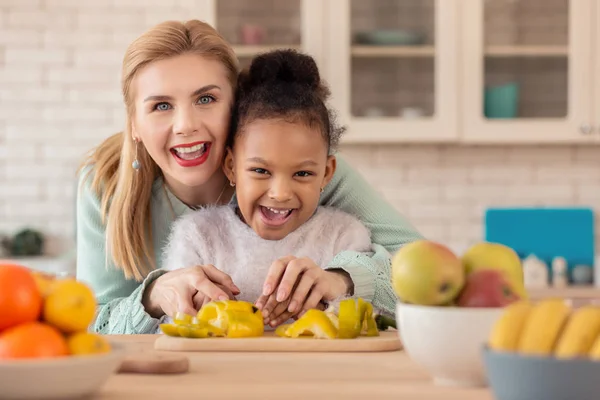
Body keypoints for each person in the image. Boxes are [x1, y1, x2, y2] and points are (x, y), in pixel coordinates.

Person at [76, 19, 424, 335]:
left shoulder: (302, 169)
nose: (186, 125)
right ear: (134, 123)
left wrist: (343, 279)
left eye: (206, 98)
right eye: (161, 106)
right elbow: (89, 324)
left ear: (236, 105)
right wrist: (152, 296)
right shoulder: (106, 184)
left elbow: (421, 266)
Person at [162, 49, 393, 327]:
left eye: (303, 173)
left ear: (327, 173)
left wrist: (339, 287)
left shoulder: (344, 236)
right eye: (260, 171)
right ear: (231, 166)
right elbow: (170, 320)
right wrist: (193, 308)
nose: (281, 193)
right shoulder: (197, 237)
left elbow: (389, 310)